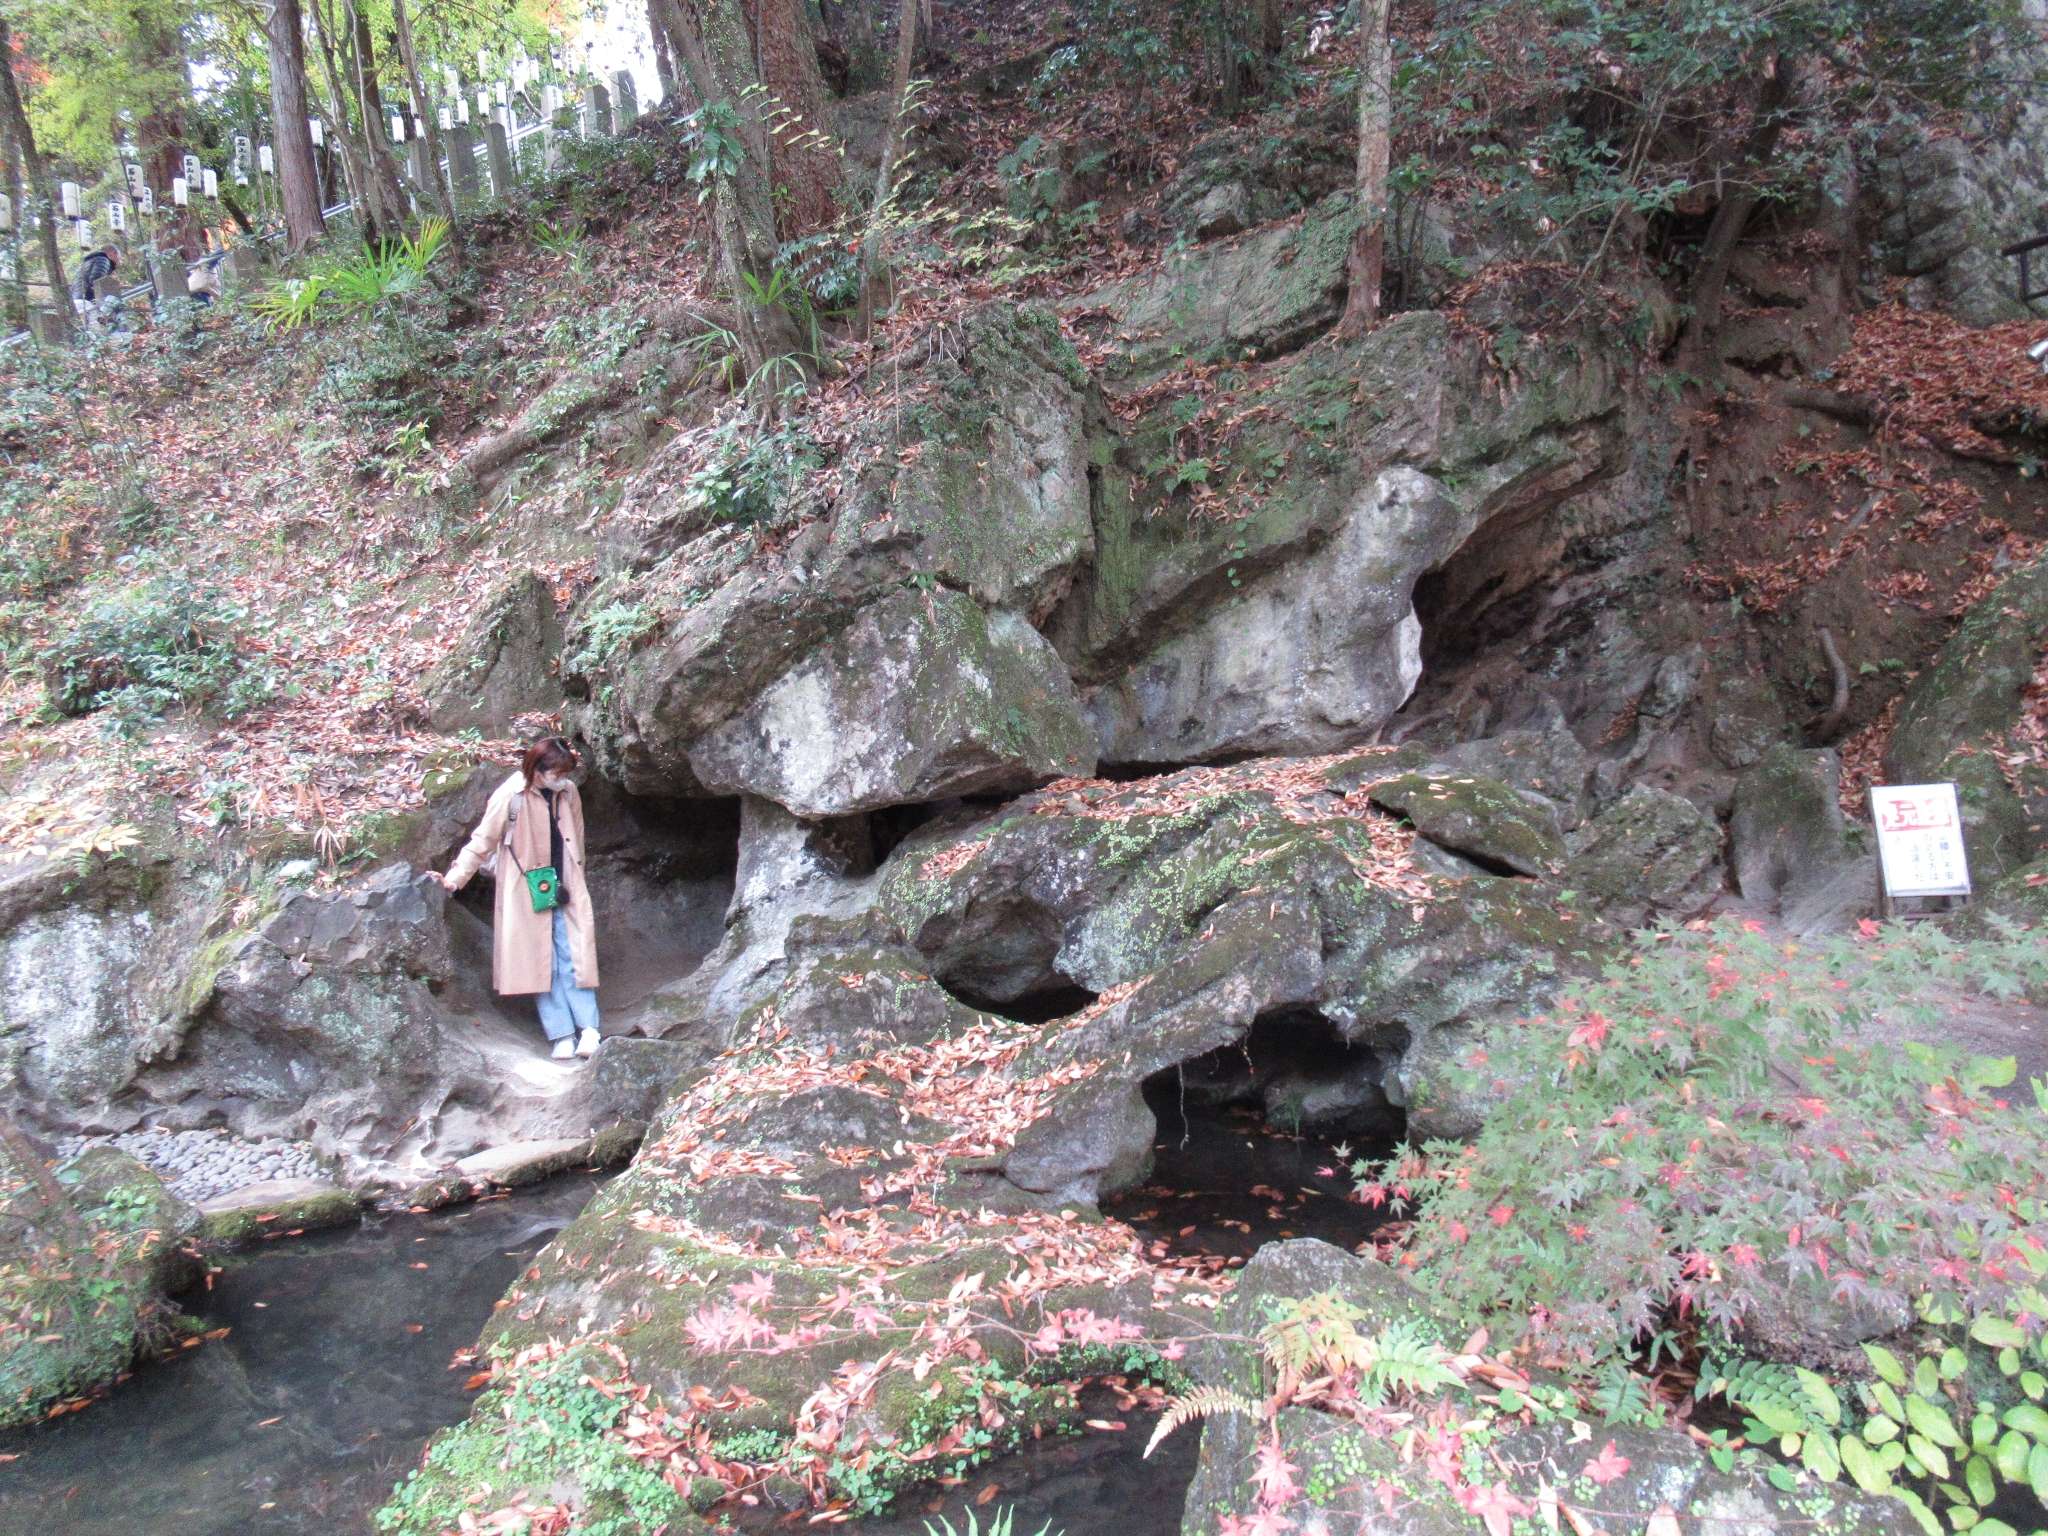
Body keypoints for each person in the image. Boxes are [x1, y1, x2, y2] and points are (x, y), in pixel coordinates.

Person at [438, 737, 603, 1061]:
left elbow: (578, 836)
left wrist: (576, 878)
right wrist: (454, 880)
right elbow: (482, 841)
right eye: (556, 772)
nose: (562, 778)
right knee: (542, 963)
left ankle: (590, 1030)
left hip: (565, 885)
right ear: (537, 770)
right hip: (528, 889)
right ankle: (561, 1035)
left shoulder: (568, 792)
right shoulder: (510, 795)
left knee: (576, 957)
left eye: (565, 772)